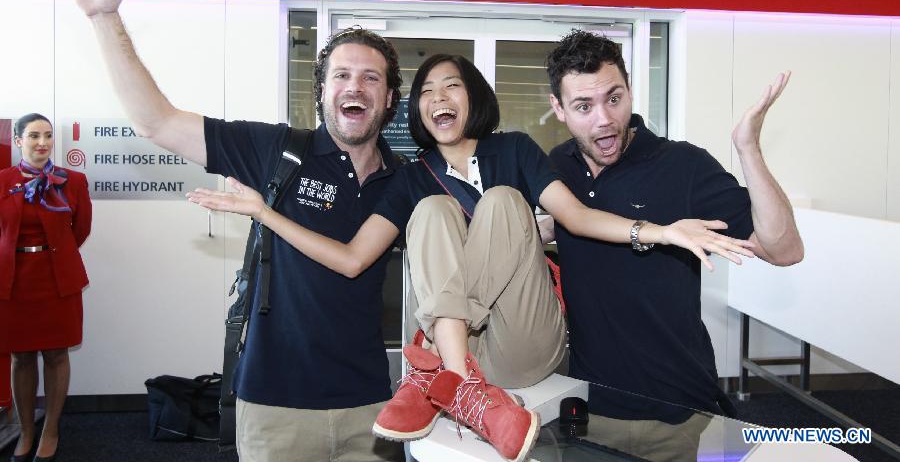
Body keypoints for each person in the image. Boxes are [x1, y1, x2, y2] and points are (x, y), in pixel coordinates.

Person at [187, 53, 756, 462]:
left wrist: (657, 231)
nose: (440, 97)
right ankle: (459, 381)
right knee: (432, 212)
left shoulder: (515, 150)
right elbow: (353, 259)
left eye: (452, 85)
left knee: (507, 202)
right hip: (471, 350)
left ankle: (437, 368)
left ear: (474, 95)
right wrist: (265, 214)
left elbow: (578, 218)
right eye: (428, 90)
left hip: (522, 342)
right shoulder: (410, 179)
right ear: (415, 108)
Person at [48, 0, 404, 462]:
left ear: (390, 96)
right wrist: (104, 16)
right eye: (341, 75)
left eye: (371, 78)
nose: (355, 86)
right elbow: (157, 121)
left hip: (370, 407)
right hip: (275, 406)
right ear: (322, 90)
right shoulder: (276, 150)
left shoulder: (403, 179)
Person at [544, 29, 804, 426]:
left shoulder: (683, 166)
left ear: (630, 91)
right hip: (586, 400)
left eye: (614, 98)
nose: (604, 119)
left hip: (674, 405)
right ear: (558, 108)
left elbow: (784, 250)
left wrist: (748, 147)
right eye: (583, 106)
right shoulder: (557, 168)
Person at [1, 113, 92, 462]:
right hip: (11, 282)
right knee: (20, 357)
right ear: (19, 140)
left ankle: (50, 429)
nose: (43, 142)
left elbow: (79, 231)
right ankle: (25, 431)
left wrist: (56, 255)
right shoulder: (2, 180)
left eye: (48, 135)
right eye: (34, 135)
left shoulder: (73, 181)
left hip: (57, 281)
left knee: (56, 354)